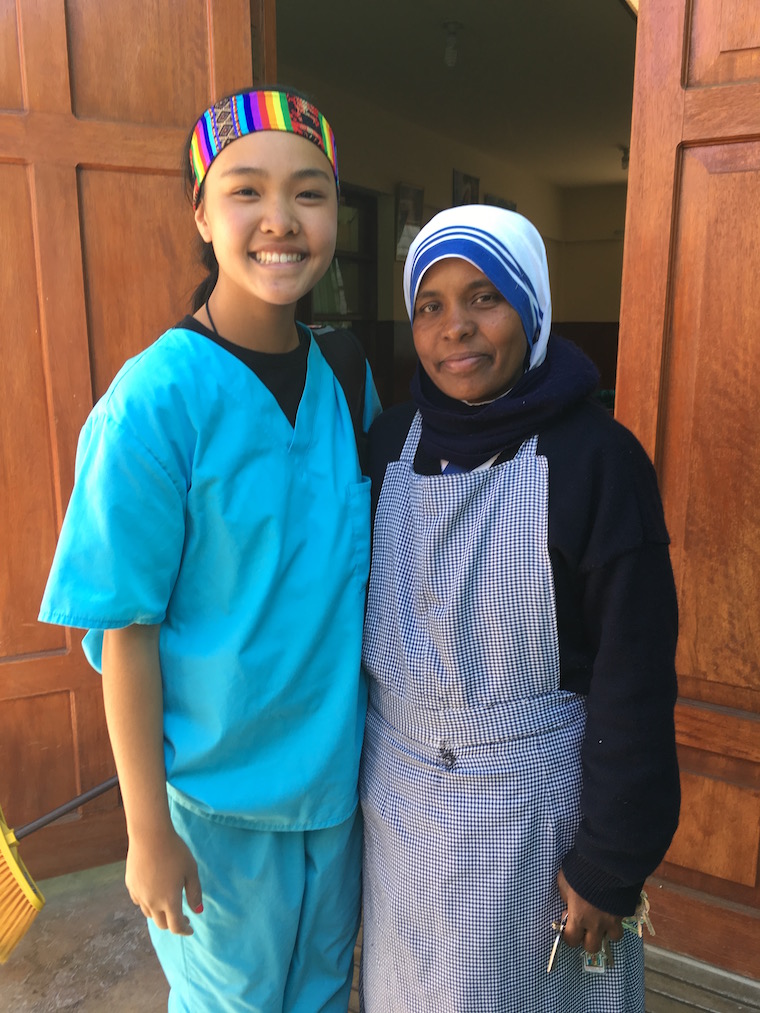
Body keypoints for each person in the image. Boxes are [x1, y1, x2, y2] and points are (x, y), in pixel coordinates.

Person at [39, 87, 380, 1012]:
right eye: (245, 192)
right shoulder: (155, 402)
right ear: (201, 210)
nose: (281, 220)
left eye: (309, 194)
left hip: (336, 793)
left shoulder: (350, 380)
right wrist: (147, 828)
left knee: (320, 993)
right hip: (215, 807)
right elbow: (125, 627)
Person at [359, 204, 680, 1012]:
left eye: (484, 298)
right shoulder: (387, 443)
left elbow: (633, 681)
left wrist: (609, 860)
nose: (454, 329)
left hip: (533, 826)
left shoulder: (598, 461)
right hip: (395, 802)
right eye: (430, 306)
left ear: (531, 308)